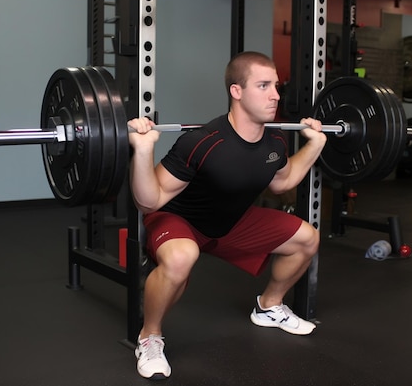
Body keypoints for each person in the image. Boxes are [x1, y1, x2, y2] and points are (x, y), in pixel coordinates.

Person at [127, 51, 327, 380]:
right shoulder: (202, 142)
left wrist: (315, 145)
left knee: (307, 238)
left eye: (276, 86)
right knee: (181, 257)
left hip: (230, 223)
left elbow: (283, 181)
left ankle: (268, 306)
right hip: (180, 222)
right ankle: (149, 337)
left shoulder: (275, 139)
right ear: (236, 91)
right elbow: (150, 202)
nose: (275, 95)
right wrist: (144, 151)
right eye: (263, 86)